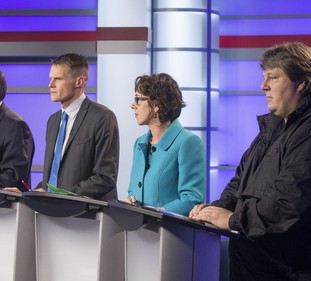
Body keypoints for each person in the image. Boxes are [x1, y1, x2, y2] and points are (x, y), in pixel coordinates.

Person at [189, 42, 311, 281]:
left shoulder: (306, 133)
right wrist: (214, 209)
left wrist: (232, 219)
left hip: (284, 272)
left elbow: (287, 205)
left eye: (273, 78)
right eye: (264, 77)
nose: (263, 86)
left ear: (302, 83)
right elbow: (239, 183)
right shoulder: (272, 128)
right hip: (249, 267)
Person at [35, 53, 120, 201]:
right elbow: (54, 177)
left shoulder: (102, 117)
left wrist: (61, 195)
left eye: (58, 79)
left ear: (79, 82)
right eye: (51, 78)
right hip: (51, 210)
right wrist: (30, 191)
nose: (51, 84)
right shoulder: (53, 121)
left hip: (86, 215)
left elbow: (104, 178)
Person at [124, 73, 206, 216]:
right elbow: (133, 190)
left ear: (156, 105)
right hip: (136, 230)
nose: (133, 105)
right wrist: (130, 202)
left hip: (168, 232)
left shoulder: (188, 142)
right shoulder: (139, 143)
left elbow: (192, 199)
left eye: (138, 99)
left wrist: (157, 213)